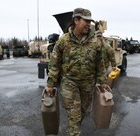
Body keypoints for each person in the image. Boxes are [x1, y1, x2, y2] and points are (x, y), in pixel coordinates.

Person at [45, 8, 108, 136]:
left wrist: (102, 82)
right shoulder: (64, 40)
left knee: (82, 113)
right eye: (86, 21)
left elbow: (100, 63)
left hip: (88, 84)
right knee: (74, 115)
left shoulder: (95, 41)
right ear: (76, 20)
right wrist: (50, 84)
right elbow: (54, 64)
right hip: (69, 82)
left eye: (90, 21)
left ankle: (75, 129)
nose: (89, 24)